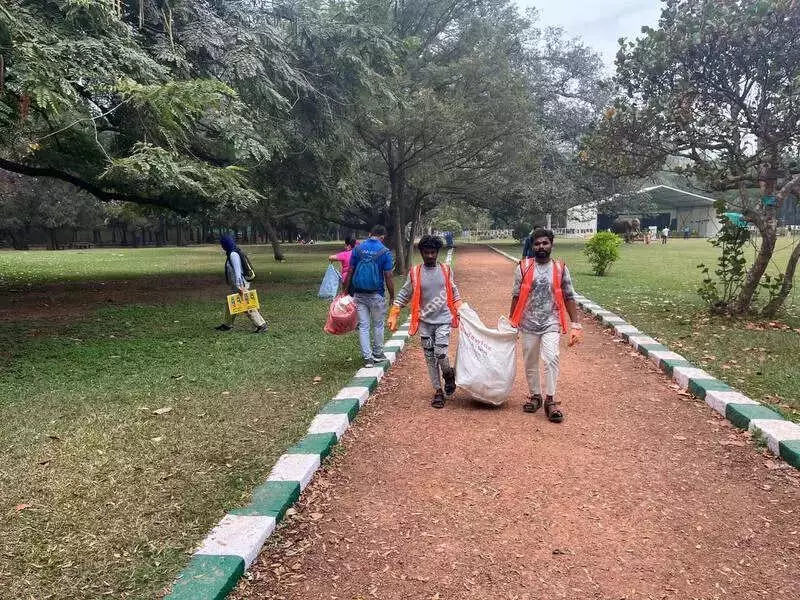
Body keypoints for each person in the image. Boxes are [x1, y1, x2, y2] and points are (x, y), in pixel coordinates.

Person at [509, 228, 582, 423]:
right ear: (532, 246)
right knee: (530, 362)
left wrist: (576, 325)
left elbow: (569, 296)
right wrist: (512, 323)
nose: (541, 247)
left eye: (545, 243)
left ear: (551, 245)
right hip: (528, 323)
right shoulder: (523, 268)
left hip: (551, 321)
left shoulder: (560, 268)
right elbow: (516, 296)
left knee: (551, 358)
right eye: (537, 243)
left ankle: (550, 400)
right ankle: (535, 396)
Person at [388, 235, 462, 408]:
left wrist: (460, 309)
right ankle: (438, 392)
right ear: (421, 253)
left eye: (433, 252)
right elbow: (404, 294)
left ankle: (448, 374)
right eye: (426, 252)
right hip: (424, 323)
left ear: (437, 253)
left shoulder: (446, 270)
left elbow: (454, 291)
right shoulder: (415, 272)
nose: (430, 256)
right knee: (430, 358)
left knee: (440, 353)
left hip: (443, 320)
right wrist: (395, 311)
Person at [342, 225, 395, 367]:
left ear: (370, 234)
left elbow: (350, 271)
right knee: (378, 325)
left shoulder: (357, 249)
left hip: (359, 294)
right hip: (376, 294)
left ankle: (367, 359)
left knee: (364, 326)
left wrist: (345, 291)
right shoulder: (385, 252)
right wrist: (392, 296)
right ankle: (378, 354)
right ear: (382, 237)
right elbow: (388, 276)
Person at [215, 235, 268, 333]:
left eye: (222, 244)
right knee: (230, 303)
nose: (222, 246)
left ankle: (261, 324)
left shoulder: (233, 254)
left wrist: (240, 287)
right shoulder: (233, 251)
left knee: (246, 305)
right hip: (238, 283)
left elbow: (237, 272)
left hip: (240, 284)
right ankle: (227, 324)